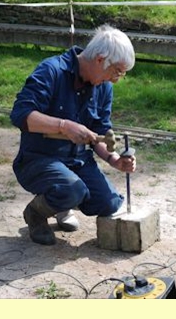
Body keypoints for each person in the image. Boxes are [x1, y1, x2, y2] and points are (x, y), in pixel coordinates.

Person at [10, 24, 137, 245]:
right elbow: (20, 114)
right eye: (116, 71)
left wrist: (114, 159)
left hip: (77, 161)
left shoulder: (103, 87)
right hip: (39, 160)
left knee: (109, 204)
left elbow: (99, 132)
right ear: (100, 59)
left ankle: (61, 203)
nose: (116, 79)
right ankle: (36, 213)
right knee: (72, 188)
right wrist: (63, 125)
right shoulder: (52, 71)